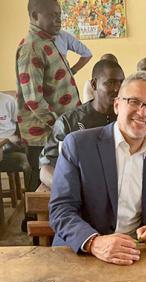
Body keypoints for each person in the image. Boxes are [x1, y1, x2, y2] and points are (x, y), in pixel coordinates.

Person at [49, 71, 146, 265]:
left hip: (136, 255)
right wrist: (94, 242)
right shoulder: (78, 145)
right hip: (81, 252)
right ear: (117, 105)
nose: (143, 112)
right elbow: (61, 209)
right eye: (134, 102)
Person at [16, 0, 80, 191]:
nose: (58, 20)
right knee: (38, 189)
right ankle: (28, 222)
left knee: (53, 188)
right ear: (35, 16)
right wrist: (60, 127)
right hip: (43, 135)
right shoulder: (32, 48)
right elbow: (33, 100)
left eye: (59, 15)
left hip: (56, 131)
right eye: (52, 15)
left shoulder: (48, 42)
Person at [39, 60, 124, 188]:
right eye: (110, 83)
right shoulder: (68, 122)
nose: (118, 89)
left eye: (121, 82)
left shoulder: (127, 120)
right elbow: (46, 166)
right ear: (94, 84)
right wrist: (66, 188)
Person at [0, 92, 31, 191]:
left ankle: (30, 196)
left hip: (11, 142)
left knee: (31, 158)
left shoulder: (8, 100)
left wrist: (17, 138)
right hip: (3, 144)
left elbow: (20, 124)